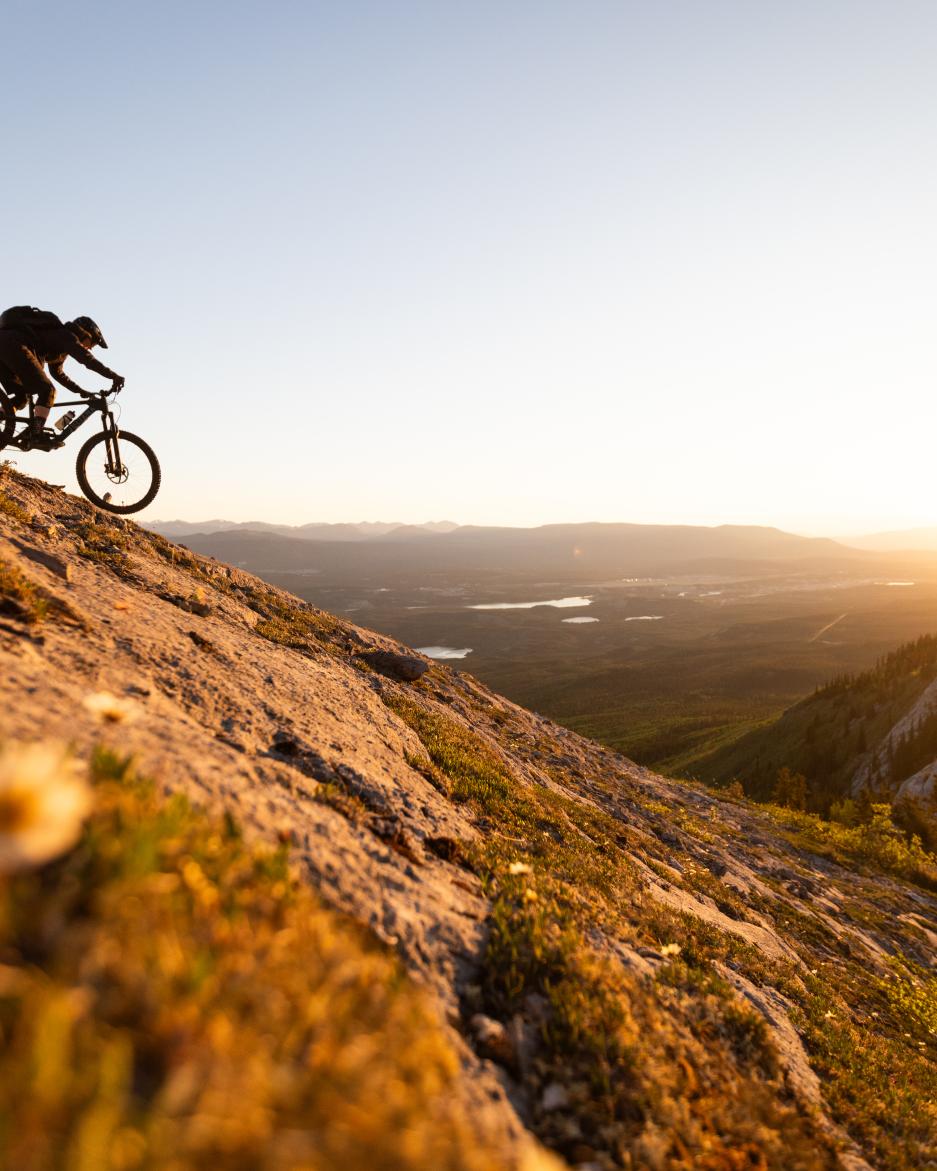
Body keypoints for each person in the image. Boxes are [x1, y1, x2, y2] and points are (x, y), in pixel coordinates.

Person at [0, 309, 124, 447]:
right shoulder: (67, 336)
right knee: (48, 391)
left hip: (6, 346)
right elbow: (87, 360)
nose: (91, 348)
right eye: (93, 343)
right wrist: (114, 376)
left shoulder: (59, 344)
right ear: (86, 333)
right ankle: (36, 434)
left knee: (21, 399)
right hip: (14, 345)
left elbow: (58, 374)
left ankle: (11, 433)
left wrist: (81, 391)